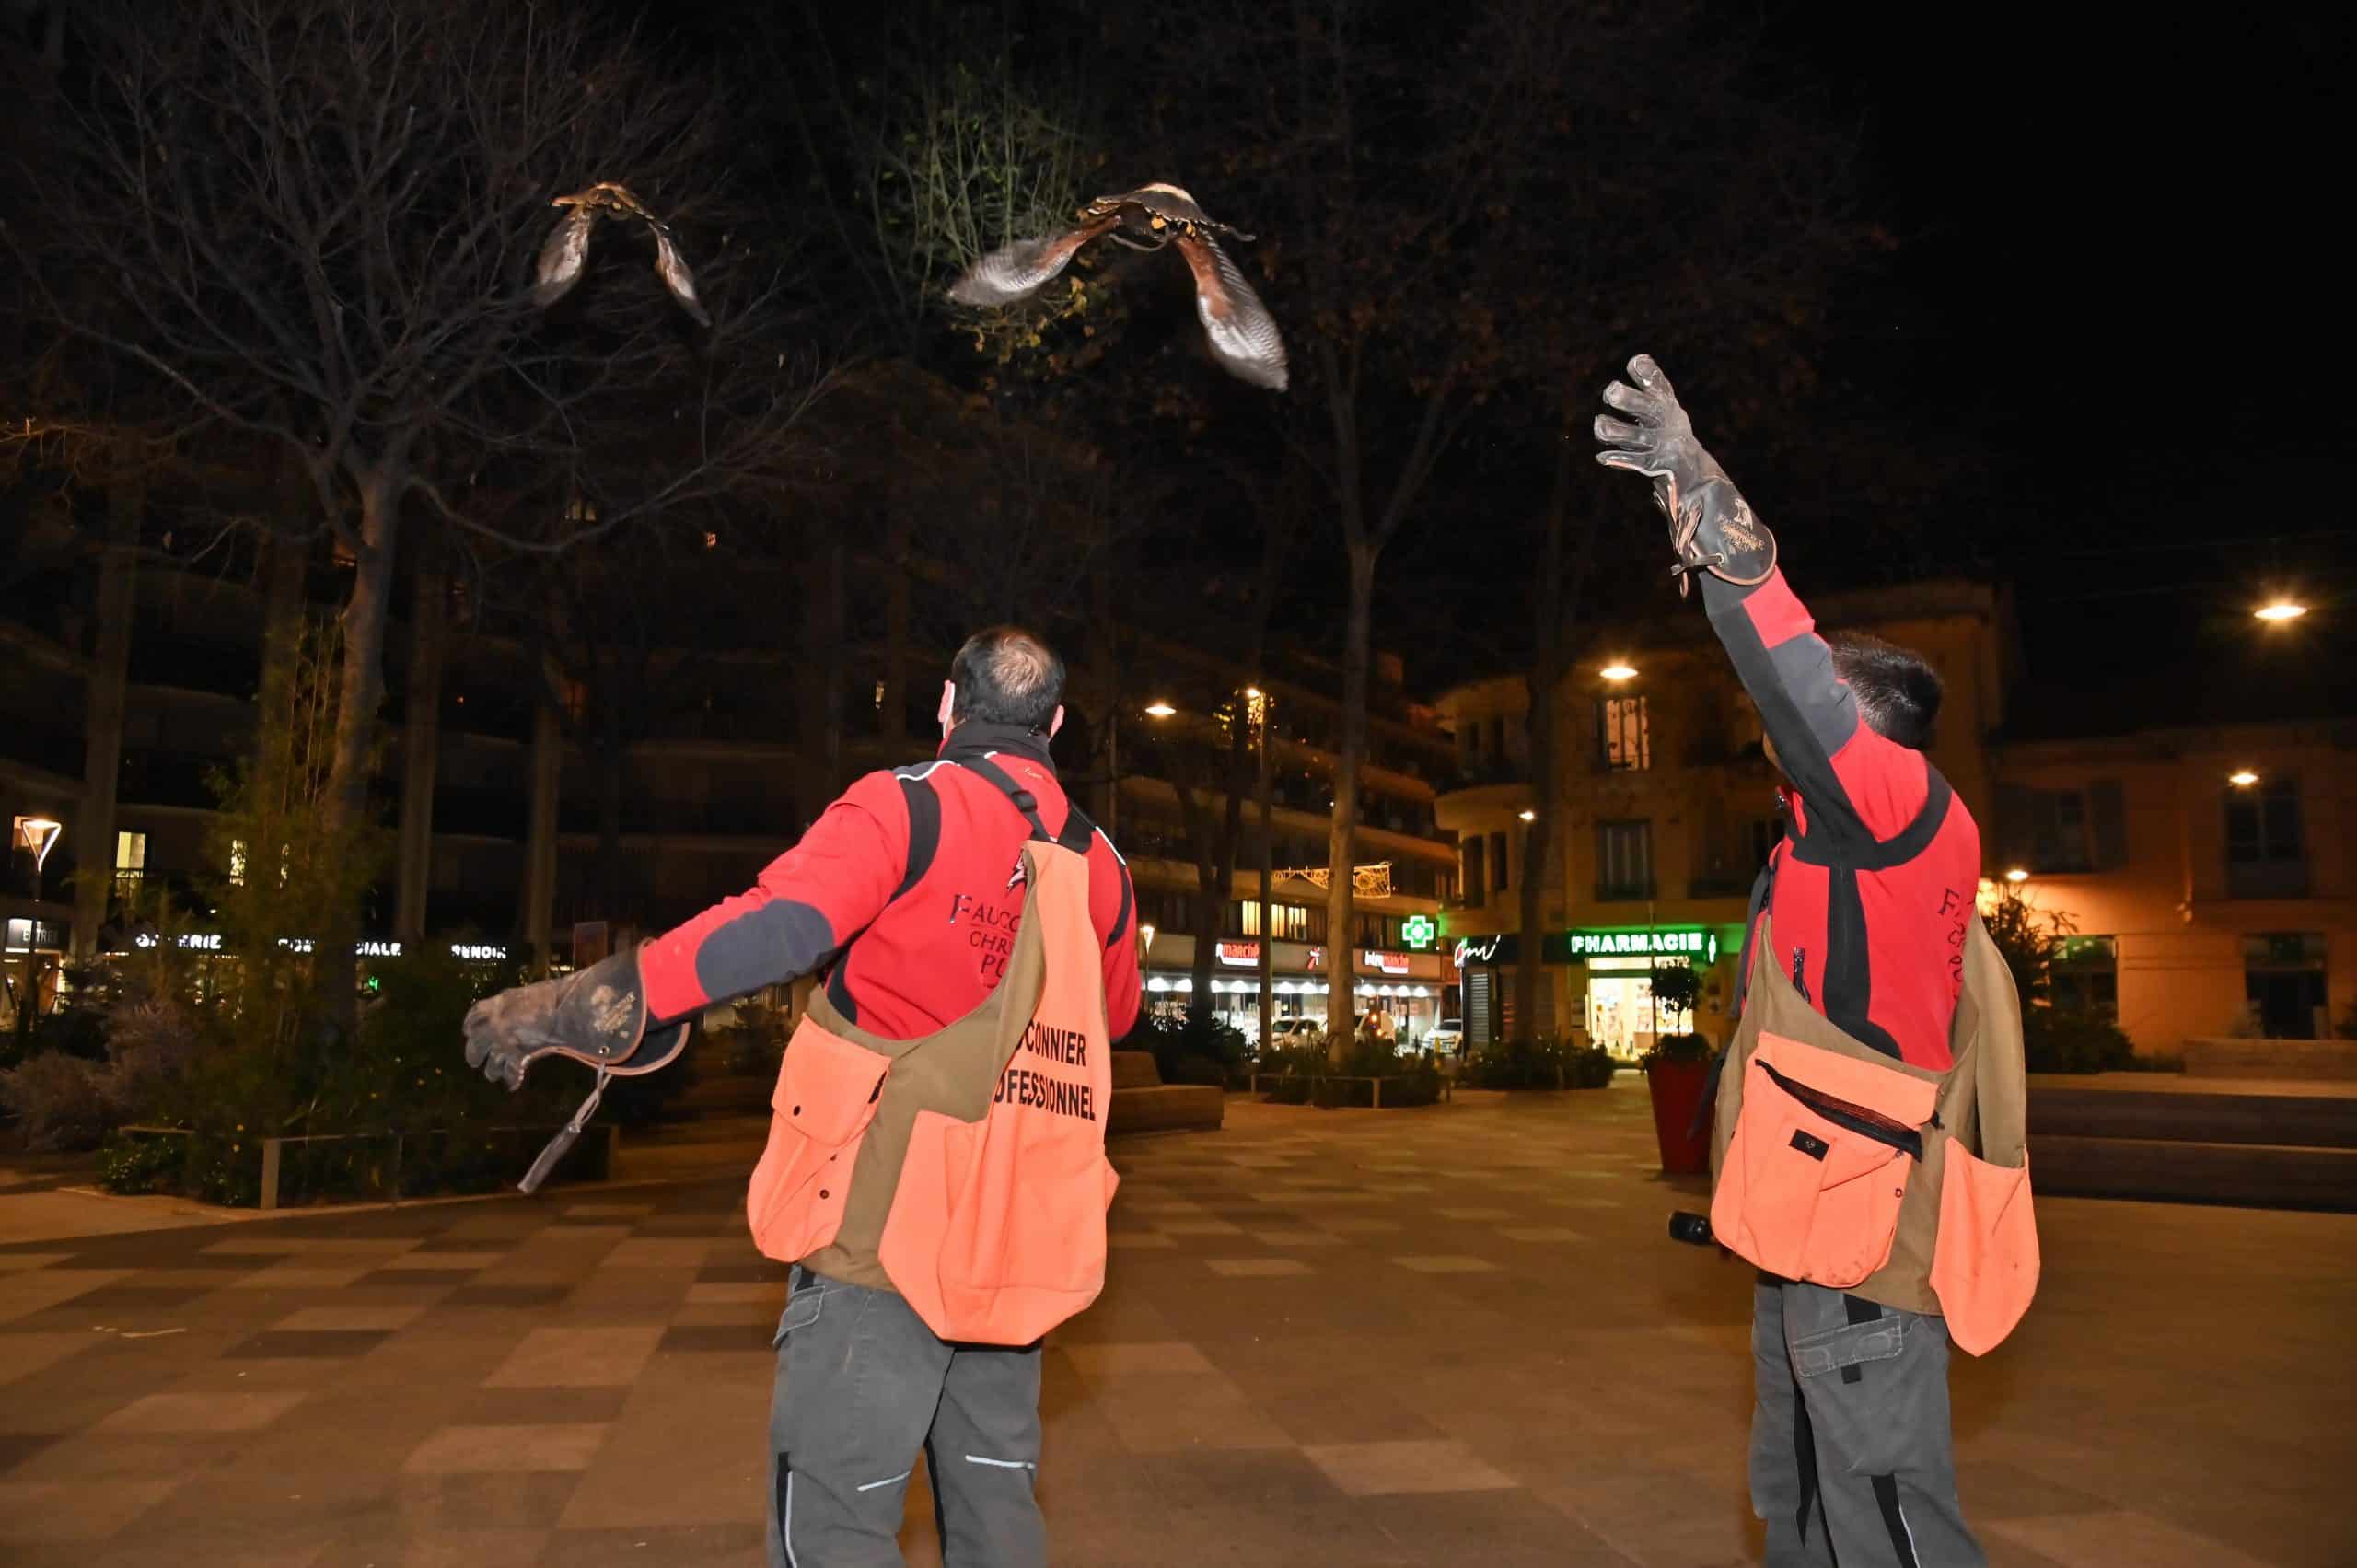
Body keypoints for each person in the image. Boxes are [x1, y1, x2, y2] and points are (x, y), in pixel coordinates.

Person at [461, 626, 1140, 1568]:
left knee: (833, 1525)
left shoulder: (906, 805)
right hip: (1015, 1238)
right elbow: (1109, 1016)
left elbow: (784, 922)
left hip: (879, 1229)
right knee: (997, 1516)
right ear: (1056, 723)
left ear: (947, 704)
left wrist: (594, 998)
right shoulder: (1101, 861)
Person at [1597, 356, 2032, 1568]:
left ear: (1871, 730)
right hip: (1811, 1240)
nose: (1785, 727)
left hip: (1865, 1255)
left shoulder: (1898, 810)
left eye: (1826, 709)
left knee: (1886, 1510)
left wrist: (1701, 490)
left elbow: (1786, 669)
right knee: (1797, 1497)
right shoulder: (1834, 845)